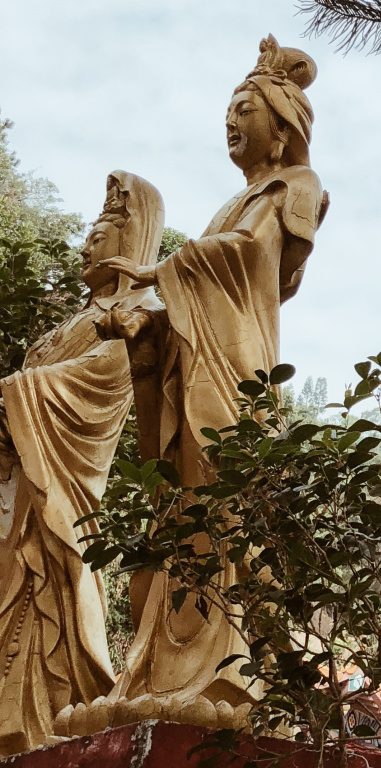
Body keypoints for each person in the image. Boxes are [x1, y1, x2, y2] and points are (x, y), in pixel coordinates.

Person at [75, 34, 328, 733]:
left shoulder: (295, 187)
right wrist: (150, 326)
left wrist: (163, 270)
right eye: (228, 111)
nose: (231, 121)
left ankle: (243, 666)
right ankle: (167, 666)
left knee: (230, 504)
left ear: (283, 129)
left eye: (245, 110)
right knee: (181, 511)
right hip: (197, 362)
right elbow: (211, 266)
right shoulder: (235, 201)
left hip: (236, 368)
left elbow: (250, 263)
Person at [0, 171, 163, 754]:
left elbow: (104, 378)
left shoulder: (141, 311)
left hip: (62, 480)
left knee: (50, 586)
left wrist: (14, 395)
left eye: (97, 236)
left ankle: (41, 720)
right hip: (19, 477)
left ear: (129, 239)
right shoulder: (71, 321)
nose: (84, 248)